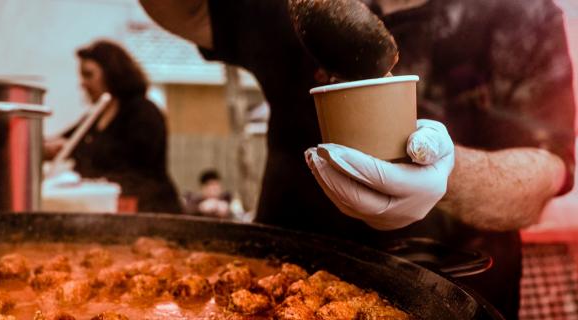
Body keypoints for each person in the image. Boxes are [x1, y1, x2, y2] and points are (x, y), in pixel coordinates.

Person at [139, 0, 576, 318]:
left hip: (456, 298)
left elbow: (548, 171)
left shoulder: (520, 14)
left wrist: (449, 172)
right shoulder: (279, 8)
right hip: (278, 292)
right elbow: (181, 10)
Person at [45, 40, 182, 213]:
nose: (82, 83)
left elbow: (139, 172)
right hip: (112, 210)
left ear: (111, 73)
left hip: (150, 210)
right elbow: (64, 142)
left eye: (88, 75)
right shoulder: (95, 116)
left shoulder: (144, 112)